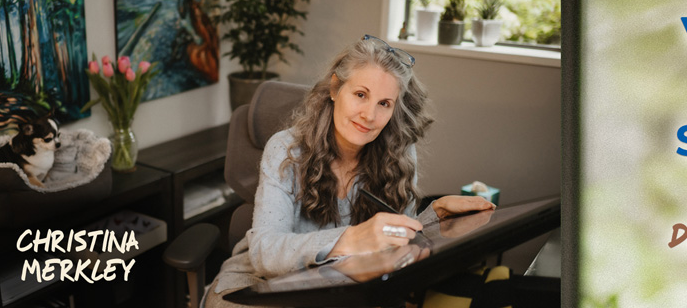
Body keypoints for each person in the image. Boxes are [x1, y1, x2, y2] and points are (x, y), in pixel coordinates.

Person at [205, 35, 495, 307]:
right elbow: (264, 254)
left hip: (333, 288)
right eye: (360, 94)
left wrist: (434, 217)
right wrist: (352, 239)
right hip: (257, 286)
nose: (369, 115)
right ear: (335, 89)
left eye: (384, 103)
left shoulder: (399, 154)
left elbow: (396, 250)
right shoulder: (286, 150)